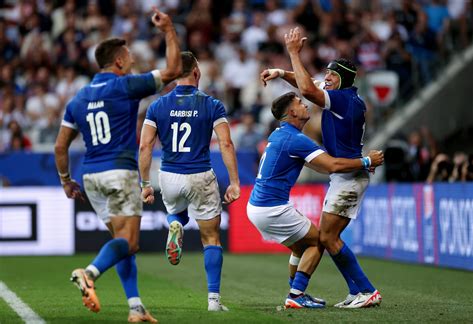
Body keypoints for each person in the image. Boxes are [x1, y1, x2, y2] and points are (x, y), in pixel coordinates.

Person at [54, 7, 181, 322]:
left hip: (90, 176)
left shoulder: (78, 98)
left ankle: (136, 308)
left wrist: (65, 180)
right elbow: (174, 69)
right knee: (130, 240)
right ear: (119, 61)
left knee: (122, 242)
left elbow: (60, 145)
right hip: (120, 171)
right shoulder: (126, 85)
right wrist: (168, 30)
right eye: (130, 56)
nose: (134, 61)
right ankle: (90, 273)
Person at [260, 27, 383, 308]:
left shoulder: (344, 100)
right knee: (328, 238)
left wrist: (292, 53)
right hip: (346, 174)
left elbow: (306, 88)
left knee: (326, 237)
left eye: (331, 76)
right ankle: (355, 291)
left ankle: (365, 290)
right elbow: (305, 81)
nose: (325, 78)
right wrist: (281, 73)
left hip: (349, 174)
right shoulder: (340, 94)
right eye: (326, 75)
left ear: (343, 81)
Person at [138, 51, 240, 312]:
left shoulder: (157, 106)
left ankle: (174, 225)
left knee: (176, 212)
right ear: (196, 72)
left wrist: (145, 184)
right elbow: (226, 143)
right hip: (200, 174)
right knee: (211, 239)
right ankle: (213, 302)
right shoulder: (212, 104)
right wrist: (234, 181)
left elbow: (145, 146)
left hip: (169, 175)